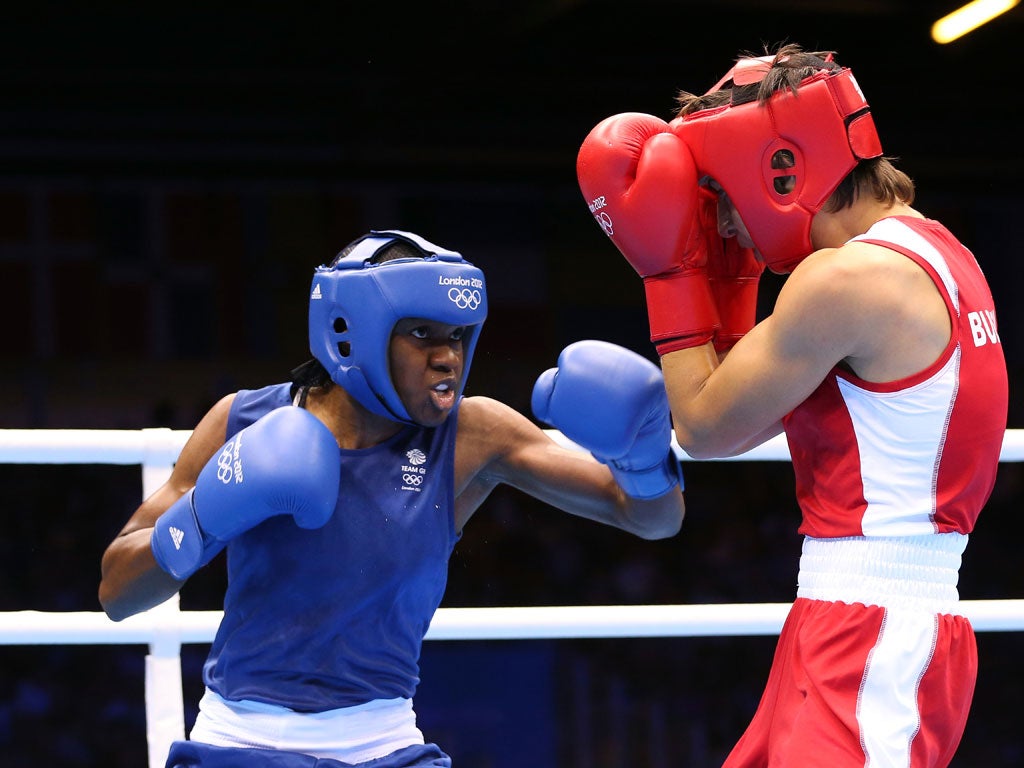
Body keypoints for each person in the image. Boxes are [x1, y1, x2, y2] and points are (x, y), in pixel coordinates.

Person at [98, 229, 684, 768]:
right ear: (353, 330)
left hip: (384, 746)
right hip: (237, 741)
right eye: (422, 332)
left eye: (456, 334)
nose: (447, 355)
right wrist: (203, 516)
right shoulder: (243, 420)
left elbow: (651, 519)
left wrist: (645, 453)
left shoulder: (472, 434)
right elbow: (117, 593)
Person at [576, 44, 1007, 767]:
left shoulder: (850, 280)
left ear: (779, 168)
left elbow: (708, 427)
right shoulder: (934, 251)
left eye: (717, 193)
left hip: (871, 635)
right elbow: (753, 408)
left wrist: (671, 271)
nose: (719, 224)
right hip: (857, 621)